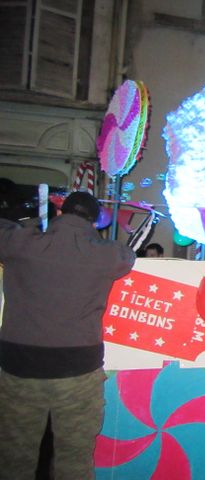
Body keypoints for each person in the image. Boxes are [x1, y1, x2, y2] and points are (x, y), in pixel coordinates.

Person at [0, 191, 136, 480]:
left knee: (14, 459)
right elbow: (128, 255)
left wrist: (29, 221)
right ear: (95, 222)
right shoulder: (106, 255)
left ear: (60, 213)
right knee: (74, 460)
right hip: (78, 371)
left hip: (19, 367)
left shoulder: (20, 243)